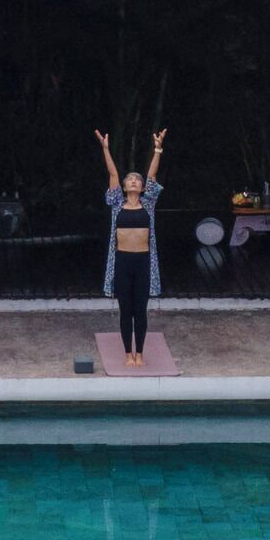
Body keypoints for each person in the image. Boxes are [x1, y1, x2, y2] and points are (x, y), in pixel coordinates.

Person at [95, 125, 170, 365]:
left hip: (143, 262)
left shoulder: (148, 204)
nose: (134, 181)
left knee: (141, 310)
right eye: (131, 180)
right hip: (122, 261)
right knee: (126, 310)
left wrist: (157, 149)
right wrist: (106, 149)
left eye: (137, 180)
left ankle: (141, 353)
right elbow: (114, 175)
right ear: (125, 187)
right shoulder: (117, 204)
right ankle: (128, 353)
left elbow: (152, 176)